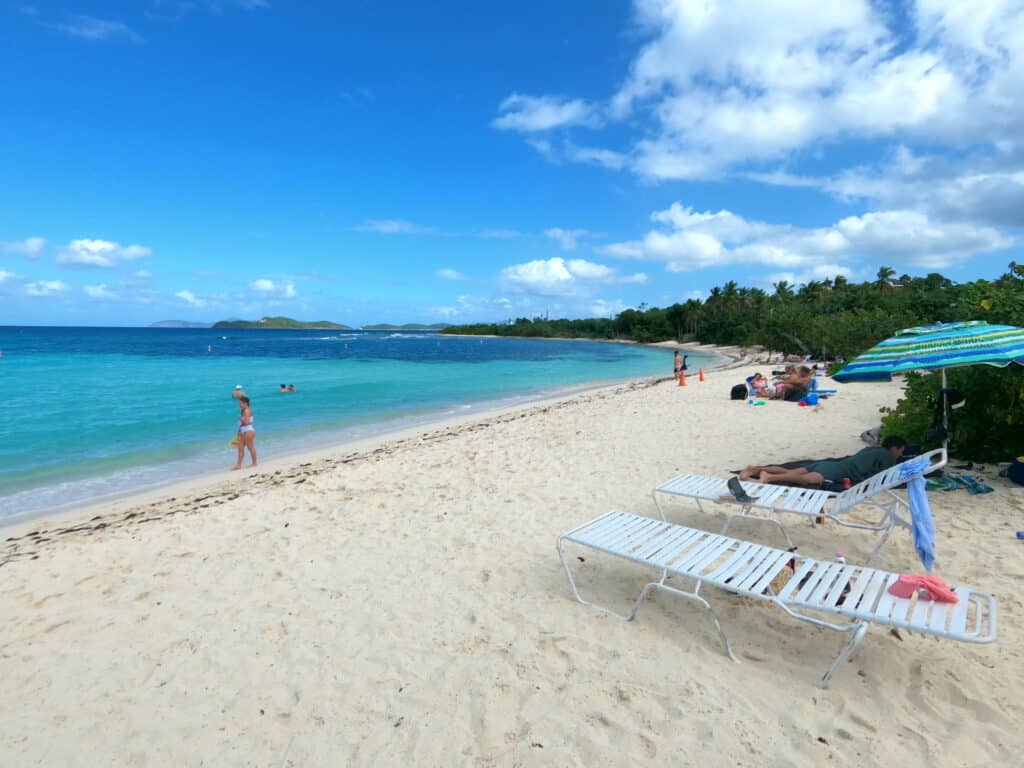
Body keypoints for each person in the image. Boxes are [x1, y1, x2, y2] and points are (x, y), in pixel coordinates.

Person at [738, 437, 908, 487]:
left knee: (791, 472)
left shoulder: (872, 448)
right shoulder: (887, 456)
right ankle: (768, 477)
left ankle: (756, 469)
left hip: (829, 465)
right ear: (895, 448)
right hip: (838, 471)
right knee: (810, 479)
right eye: (901, 450)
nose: (901, 454)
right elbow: (888, 476)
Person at [232, 396, 257, 470]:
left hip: (248, 431)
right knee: (240, 449)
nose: (239, 405)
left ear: (245, 403)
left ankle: (254, 463)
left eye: (240, 403)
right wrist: (239, 431)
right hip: (243, 432)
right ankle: (238, 465)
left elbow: (247, 422)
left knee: (250, 447)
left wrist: (240, 419)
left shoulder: (247, 411)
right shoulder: (243, 410)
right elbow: (242, 424)